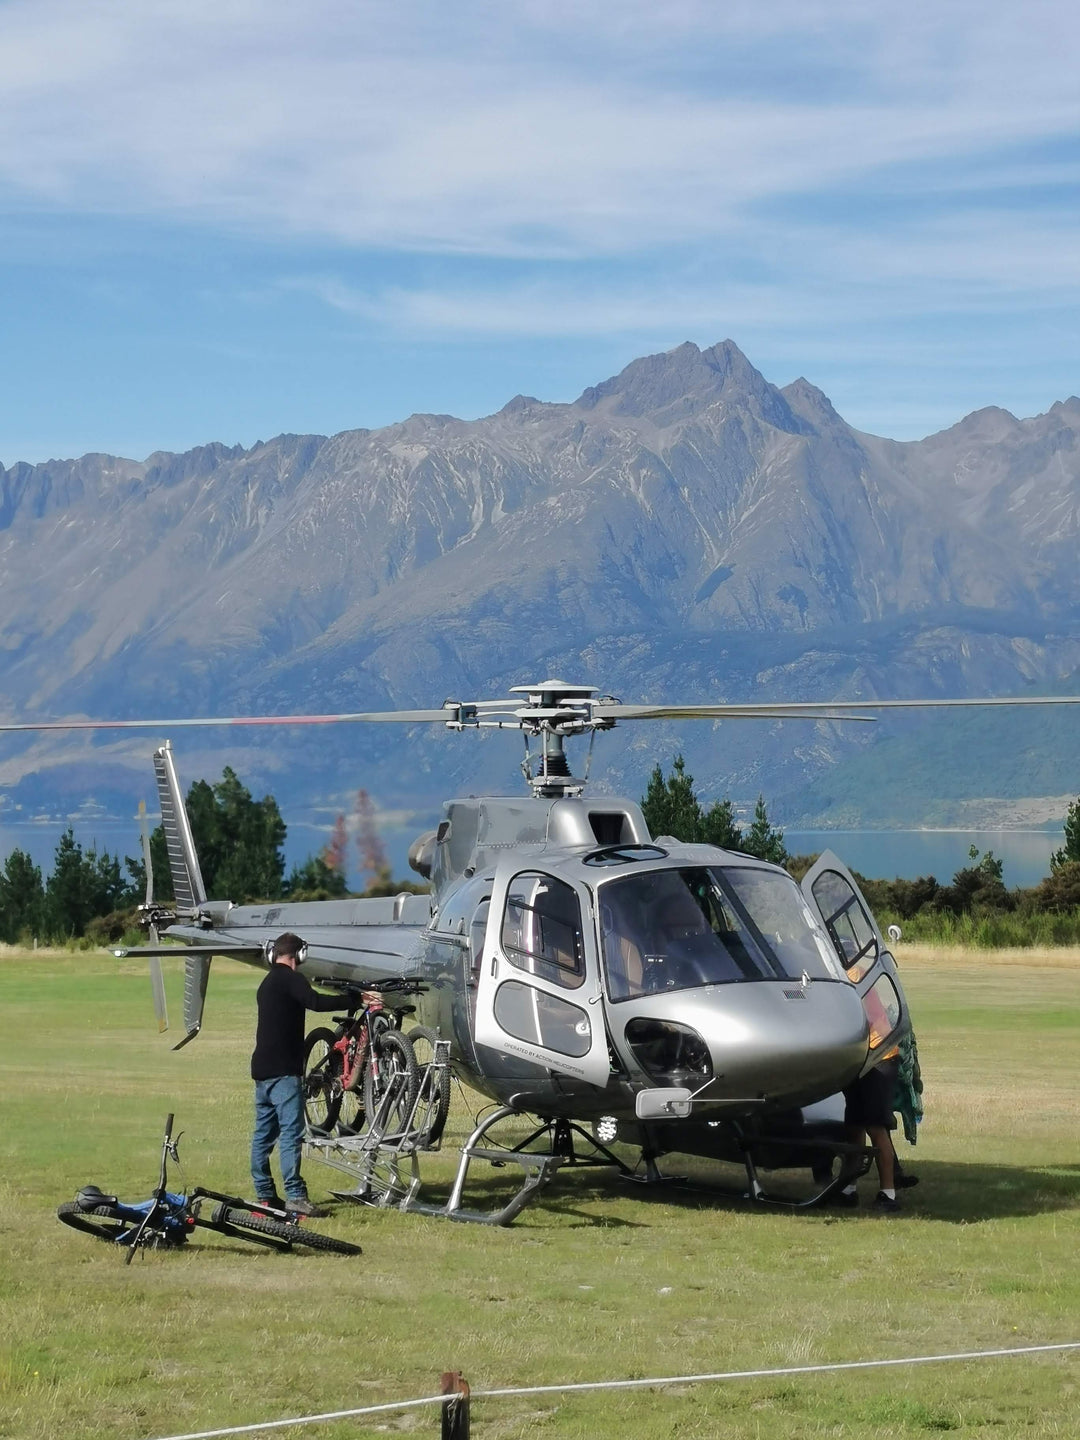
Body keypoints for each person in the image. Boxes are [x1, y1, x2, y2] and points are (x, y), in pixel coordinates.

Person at [250, 931, 343, 1216]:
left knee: (263, 1136)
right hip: (283, 1071)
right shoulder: (291, 979)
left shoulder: (266, 983)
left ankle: (265, 1195)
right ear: (299, 956)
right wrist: (351, 1000)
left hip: (262, 1070)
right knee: (291, 1133)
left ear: (273, 954)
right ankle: (295, 1196)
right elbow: (314, 1002)